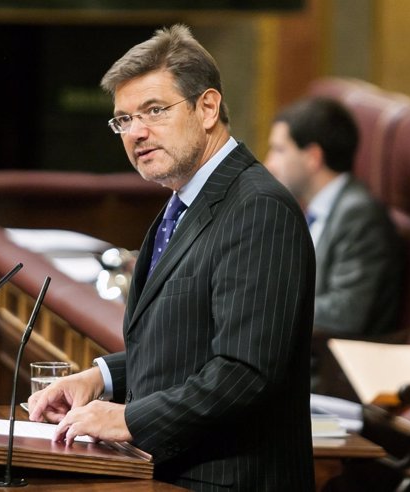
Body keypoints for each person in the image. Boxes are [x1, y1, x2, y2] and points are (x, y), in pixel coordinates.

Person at [28, 24, 316, 491]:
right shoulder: (183, 201)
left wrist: (128, 419)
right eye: (124, 120)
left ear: (207, 107)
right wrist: (99, 378)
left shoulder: (258, 208)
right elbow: (188, 345)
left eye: (154, 111)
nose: (136, 133)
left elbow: (246, 373)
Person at [265, 96, 403, 338]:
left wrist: (264, 306)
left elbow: (346, 312)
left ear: (313, 157)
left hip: (326, 367)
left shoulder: (359, 216)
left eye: (279, 150)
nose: (269, 164)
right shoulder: (317, 209)